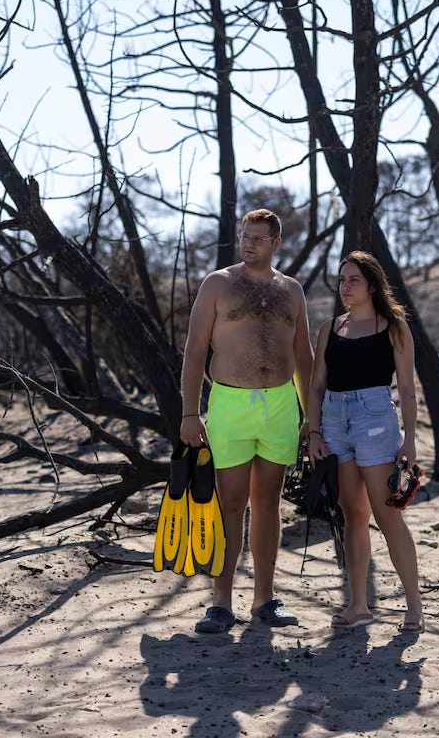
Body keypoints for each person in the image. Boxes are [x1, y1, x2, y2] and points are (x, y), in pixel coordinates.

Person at [180, 209, 314, 634]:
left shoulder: (291, 291)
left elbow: (304, 358)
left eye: (258, 238)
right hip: (229, 406)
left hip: (279, 405)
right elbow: (194, 351)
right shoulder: (218, 283)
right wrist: (188, 412)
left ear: (277, 243)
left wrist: (311, 417)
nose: (249, 243)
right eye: (245, 236)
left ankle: (265, 600)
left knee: (268, 502)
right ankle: (220, 603)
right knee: (230, 502)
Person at [307, 250, 424, 633]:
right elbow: (316, 386)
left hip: (376, 420)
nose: (346, 286)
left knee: (388, 515)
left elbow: (407, 390)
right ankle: (359, 606)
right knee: (352, 516)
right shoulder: (330, 327)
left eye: (353, 279)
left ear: (372, 284)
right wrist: (314, 432)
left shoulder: (393, 327)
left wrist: (409, 441)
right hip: (335, 422)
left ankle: (414, 607)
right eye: (342, 280)